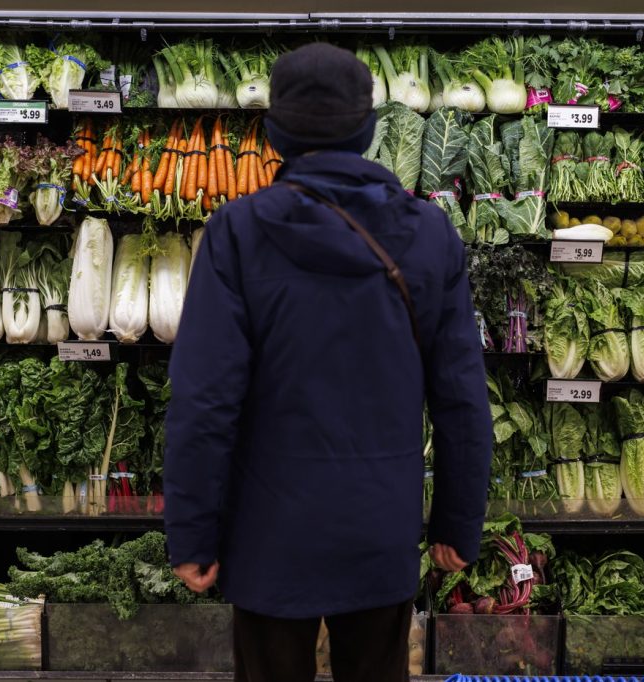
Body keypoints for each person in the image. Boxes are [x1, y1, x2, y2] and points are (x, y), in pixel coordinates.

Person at [164, 42, 493, 682]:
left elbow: (204, 398)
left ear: (274, 133)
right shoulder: (429, 234)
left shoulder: (237, 230)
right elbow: (460, 395)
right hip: (380, 526)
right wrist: (458, 518)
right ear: (369, 131)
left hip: (268, 530)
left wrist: (194, 531)